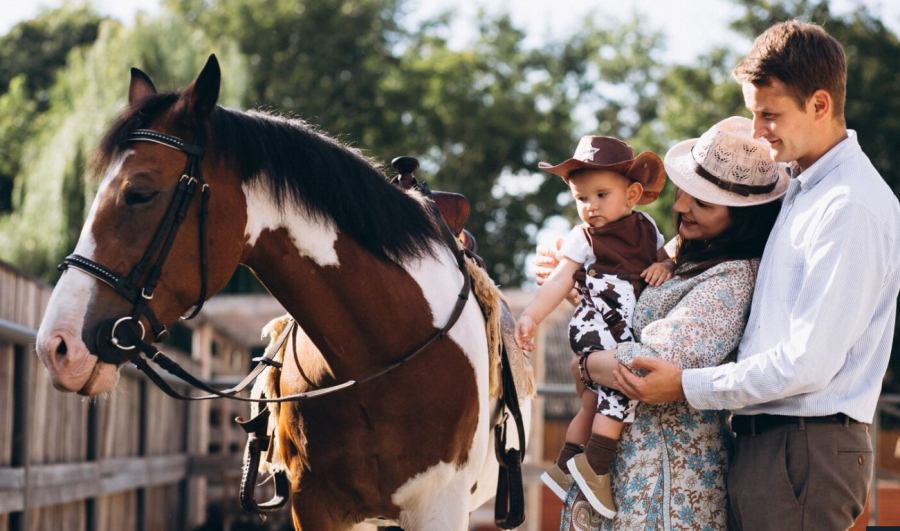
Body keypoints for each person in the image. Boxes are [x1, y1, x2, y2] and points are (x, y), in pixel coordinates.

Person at [612, 21, 900, 531]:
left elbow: (808, 363)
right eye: (752, 112)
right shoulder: (798, 185)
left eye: (769, 114)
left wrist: (687, 385)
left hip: (806, 446)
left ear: (819, 104)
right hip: (767, 443)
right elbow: (716, 217)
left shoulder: (849, 205)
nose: (758, 130)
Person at [536, 116, 786, 530]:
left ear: (742, 218)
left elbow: (646, 364)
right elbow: (610, 301)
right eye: (684, 193)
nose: (680, 206)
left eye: (702, 203)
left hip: (667, 482)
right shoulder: (677, 250)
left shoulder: (735, 276)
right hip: (627, 469)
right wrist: (568, 277)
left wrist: (584, 363)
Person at [514, 135, 671, 517]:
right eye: (582, 199)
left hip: (621, 326)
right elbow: (559, 281)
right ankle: (596, 466)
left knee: (592, 398)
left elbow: (668, 258)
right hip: (595, 321)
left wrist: (664, 266)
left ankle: (567, 464)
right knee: (621, 381)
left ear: (632, 194)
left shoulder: (648, 229)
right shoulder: (583, 238)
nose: (591, 207)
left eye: (601, 195)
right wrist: (532, 315)